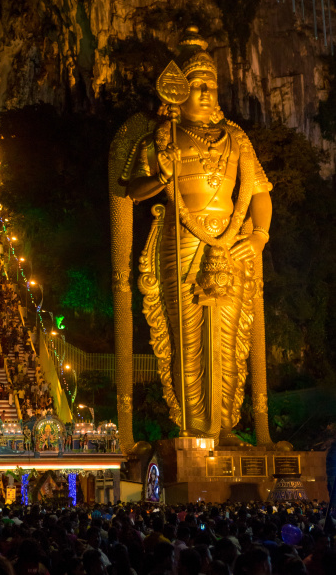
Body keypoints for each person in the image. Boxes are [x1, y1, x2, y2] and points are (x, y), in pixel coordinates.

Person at [123, 26, 274, 445]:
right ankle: (193, 428)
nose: (205, 93)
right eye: (196, 86)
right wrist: (160, 175)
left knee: (229, 337)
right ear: (177, 93)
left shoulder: (238, 139)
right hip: (181, 241)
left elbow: (260, 193)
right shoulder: (161, 137)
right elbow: (132, 191)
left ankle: (224, 427)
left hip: (231, 242)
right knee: (186, 335)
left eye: (210, 85)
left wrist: (258, 235)